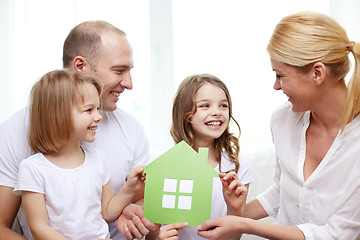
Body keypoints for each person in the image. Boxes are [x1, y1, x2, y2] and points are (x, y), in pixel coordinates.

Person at [196, 11, 360, 240]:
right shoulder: (283, 120)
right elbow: (283, 191)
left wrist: (244, 224)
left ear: (317, 73)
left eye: (280, 75)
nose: (275, 85)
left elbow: (338, 233)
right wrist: (226, 216)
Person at [0, 21, 153, 240]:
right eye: (119, 70)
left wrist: (135, 204)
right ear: (80, 66)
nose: (129, 84)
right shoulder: (15, 139)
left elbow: (113, 208)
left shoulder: (128, 133)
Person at [13, 69, 145, 240]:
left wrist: (129, 189)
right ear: (58, 116)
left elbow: (107, 211)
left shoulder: (98, 159)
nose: (98, 117)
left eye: (97, 109)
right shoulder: (33, 168)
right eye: (89, 110)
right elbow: (39, 228)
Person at [146, 73, 253, 240]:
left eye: (223, 106)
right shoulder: (164, 166)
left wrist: (236, 210)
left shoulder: (237, 169)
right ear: (185, 114)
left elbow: (233, 238)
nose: (217, 112)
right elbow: (152, 233)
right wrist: (157, 238)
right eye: (205, 106)